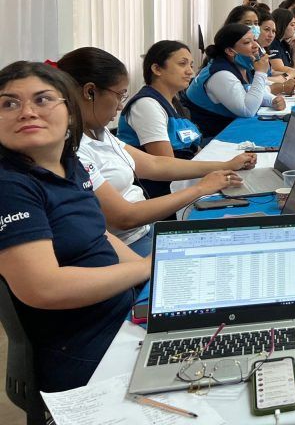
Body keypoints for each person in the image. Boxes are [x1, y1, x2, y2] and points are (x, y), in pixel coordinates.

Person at [0, 61, 151, 391]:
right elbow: (43, 287)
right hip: (85, 349)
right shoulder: (9, 187)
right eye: (9, 103)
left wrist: (150, 273)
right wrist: (144, 270)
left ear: (70, 112)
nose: (26, 112)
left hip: (121, 316)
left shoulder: (70, 164)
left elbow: (100, 234)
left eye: (42, 100)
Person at [56, 48, 251, 256]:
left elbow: (154, 164)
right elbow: (125, 217)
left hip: (145, 231)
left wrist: (226, 165)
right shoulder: (73, 148)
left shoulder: (98, 131)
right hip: (129, 244)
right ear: (90, 92)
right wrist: (200, 189)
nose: (121, 105)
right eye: (120, 95)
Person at [118, 40, 203, 201]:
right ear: (157, 69)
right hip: (161, 193)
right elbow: (166, 166)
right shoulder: (146, 105)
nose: (190, 72)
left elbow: (193, 146)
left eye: (191, 65)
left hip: (184, 181)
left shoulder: (175, 102)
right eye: (182, 64)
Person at [183, 23, 286, 138]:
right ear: (230, 51)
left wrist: (272, 100)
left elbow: (249, 91)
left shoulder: (242, 65)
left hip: (229, 128)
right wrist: (260, 73)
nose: (255, 46)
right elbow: (247, 110)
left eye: (254, 40)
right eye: (247, 42)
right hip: (212, 138)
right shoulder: (220, 74)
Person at [268, 7, 295, 74]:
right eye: (292, 25)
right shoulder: (272, 43)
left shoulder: (283, 42)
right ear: (282, 25)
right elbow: (279, 68)